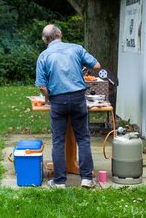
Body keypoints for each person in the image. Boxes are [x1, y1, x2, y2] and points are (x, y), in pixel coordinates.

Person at [35, 24, 101, 188]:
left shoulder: (43, 56)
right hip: (79, 98)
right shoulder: (76, 49)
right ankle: (86, 179)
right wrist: (82, 67)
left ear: (45, 40)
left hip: (58, 100)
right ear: (60, 34)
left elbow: (41, 85)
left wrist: (49, 96)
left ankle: (59, 181)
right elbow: (97, 66)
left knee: (58, 140)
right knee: (84, 139)